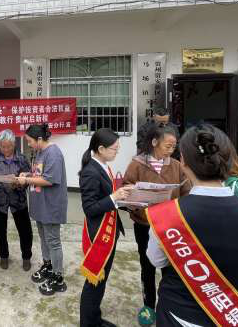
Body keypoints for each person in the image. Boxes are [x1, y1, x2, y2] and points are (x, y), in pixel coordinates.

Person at [146, 124, 238, 327]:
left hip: (178, 315)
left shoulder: (166, 215)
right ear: (228, 160)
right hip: (237, 317)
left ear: (183, 161)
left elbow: (156, 260)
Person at [123, 123, 189, 326]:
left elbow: (187, 193)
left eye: (173, 147)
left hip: (170, 227)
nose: (171, 150)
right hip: (144, 224)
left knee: (170, 268)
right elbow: (126, 189)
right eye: (168, 146)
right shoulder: (136, 164)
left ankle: (168, 307)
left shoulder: (177, 166)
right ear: (154, 142)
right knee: (147, 266)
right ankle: (149, 306)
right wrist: (135, 201)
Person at [78, 128, 134, 327]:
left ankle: (94, 318)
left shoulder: (102, 165)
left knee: (100, 282)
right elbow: (89, 208)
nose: (117, 152)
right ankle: (88, 323)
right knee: (94, 283)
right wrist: (114, 197)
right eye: (114, 148)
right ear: (101, 149)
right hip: (99, 235)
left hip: (109, 230)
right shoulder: (90, 171)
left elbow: (107, 197)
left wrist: (125, 197)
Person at [16, 123, 68, 296]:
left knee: (53, 241)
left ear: (39, 139)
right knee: (44, 237)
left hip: (51, 205)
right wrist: (28, 175)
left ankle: (58, 277)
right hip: (40, 204)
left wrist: (27, 180)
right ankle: (48, 265)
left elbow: (50, 179)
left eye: (29, 141)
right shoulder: (39, 152)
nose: (28, 144)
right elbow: (39, 175)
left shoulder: (54, 153)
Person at [0, 129, 33, 271]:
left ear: (14, 144)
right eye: (3, 146)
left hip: (18, 199)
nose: (6, 149)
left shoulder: (22, 159)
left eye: (9, 146)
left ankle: (26, 257)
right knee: (0, 230)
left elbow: (29, 179)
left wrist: (20, 183)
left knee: (25, 230)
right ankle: (4, 256)